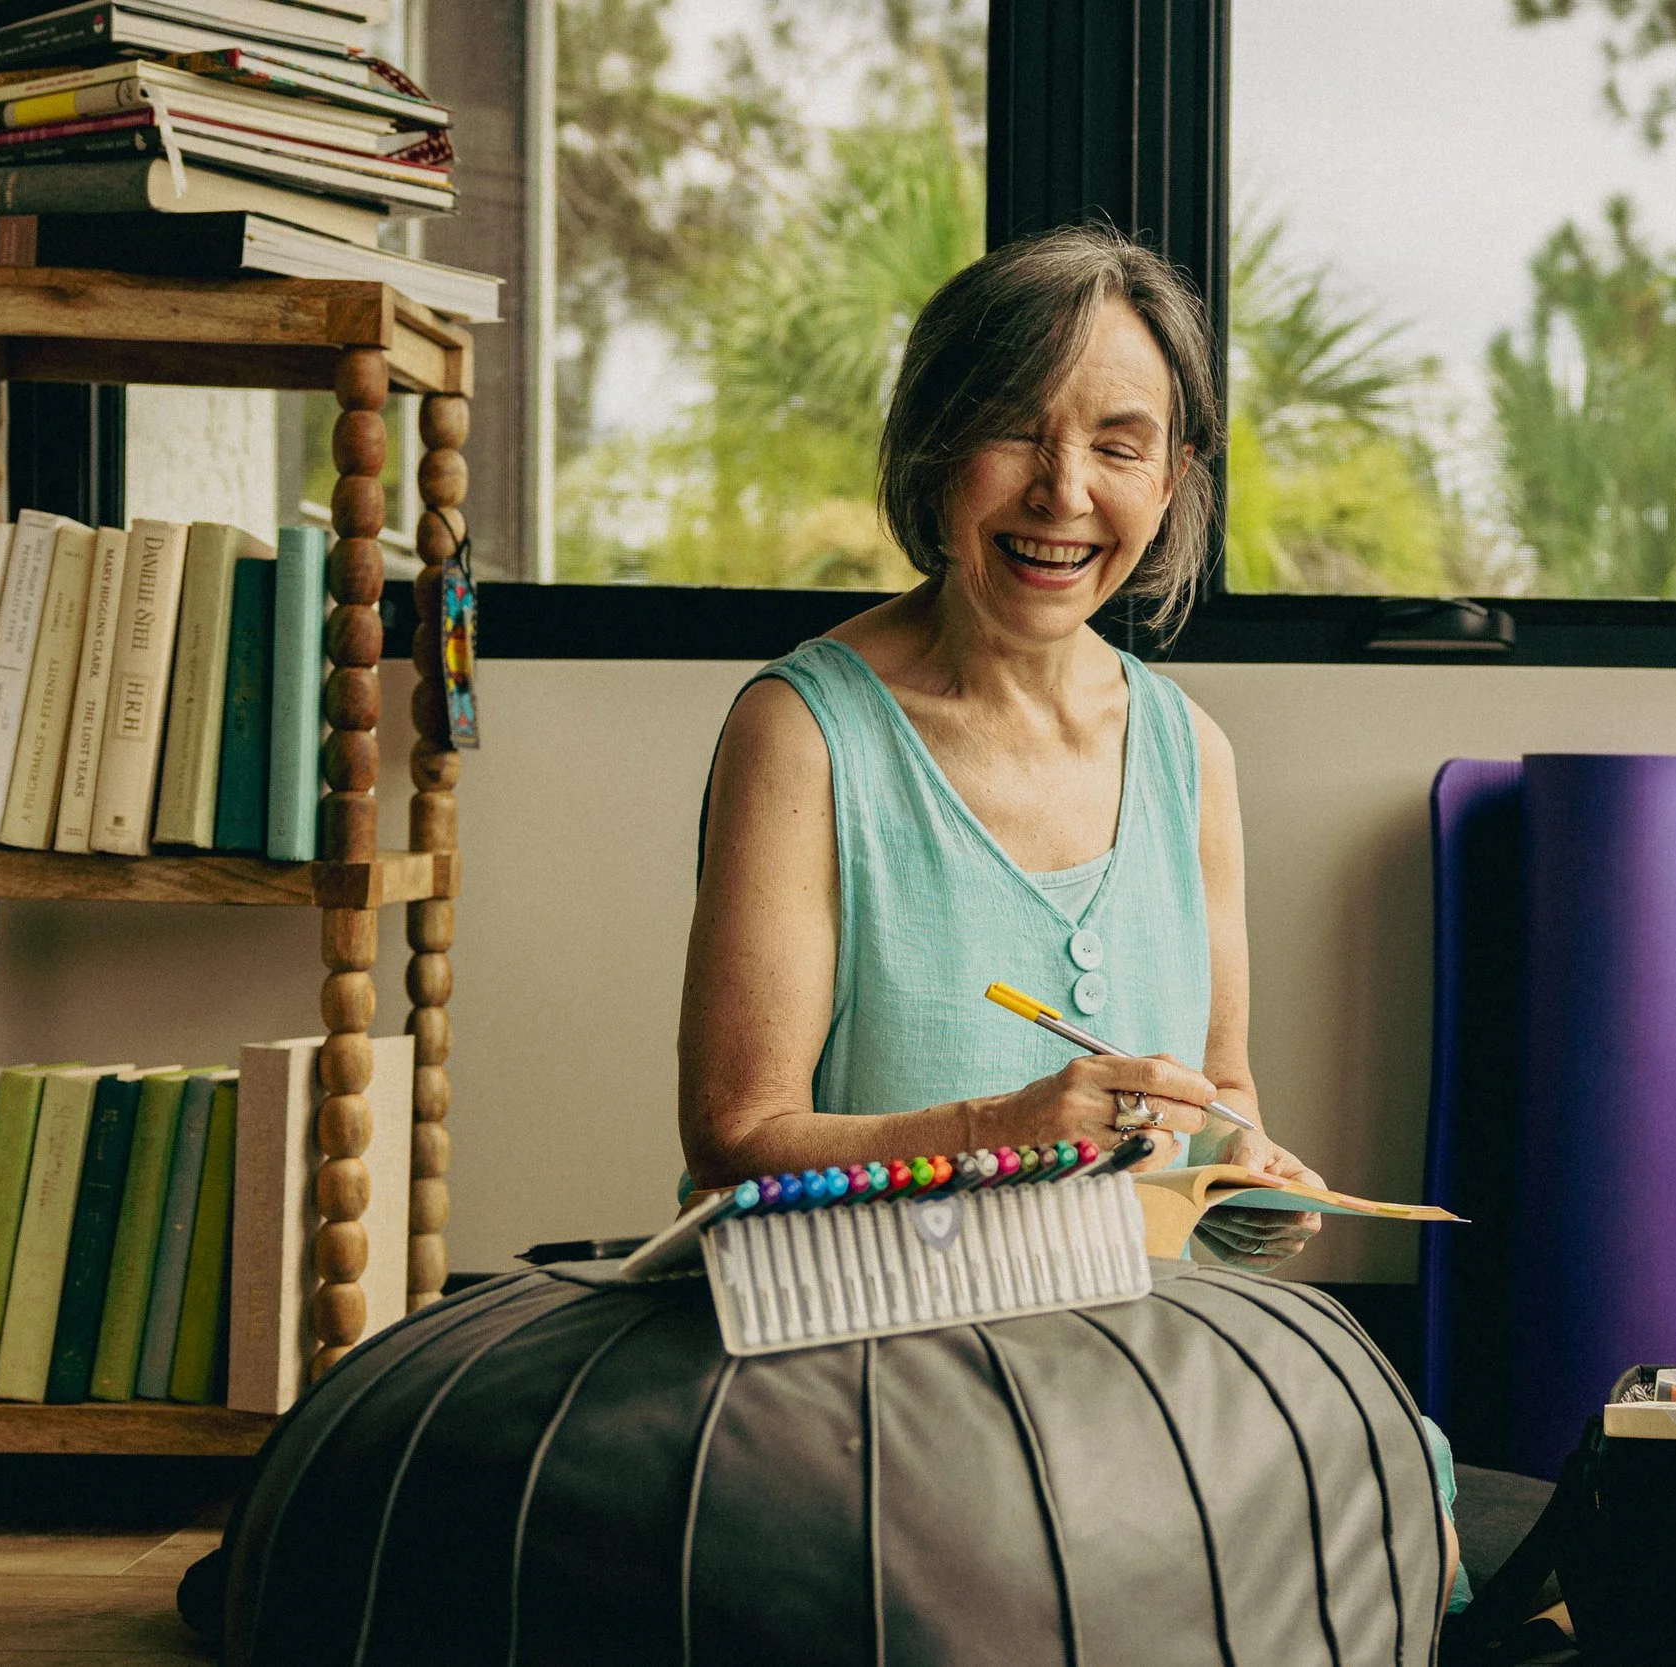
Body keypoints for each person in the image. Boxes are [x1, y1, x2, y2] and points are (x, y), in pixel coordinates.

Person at [678, 221, 1465, 1610]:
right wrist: (1004, 1129)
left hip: (1125, 1336)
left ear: (1172, 479)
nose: (1064, 490)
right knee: (1020, 1549)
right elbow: (739, 1135)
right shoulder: (800, 730)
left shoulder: (1191, 751)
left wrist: (1246, 1178)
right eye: (1013, 431)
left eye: (1118, 441)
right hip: (866, 1353)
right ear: (933, 450)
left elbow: (1218, 1093)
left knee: (1390, 1454)